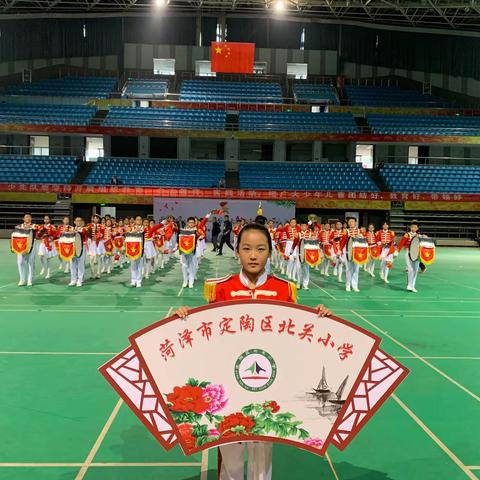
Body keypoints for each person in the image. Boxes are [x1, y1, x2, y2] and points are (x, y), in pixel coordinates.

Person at [174, 223, 331, 480]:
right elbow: (208, 333)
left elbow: (296, 336)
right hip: (228, 384)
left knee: (262, 448)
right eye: (246, 248)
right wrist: (185, 318)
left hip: (268, 384)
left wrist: (321, 319)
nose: (253, 255)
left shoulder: (283, 290)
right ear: (237, 251)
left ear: (270, 252)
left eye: (260, 249)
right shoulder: (221, 288)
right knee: (231, 449)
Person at [396, 220, 423, 292]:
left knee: (415, 271)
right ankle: (409, 285)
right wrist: (396, 253)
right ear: (410, 227)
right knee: (410, 270)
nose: (413, 228)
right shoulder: (407, 235)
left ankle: (413, 286)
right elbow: (400, 244)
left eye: (415, 227)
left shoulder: (419, 236)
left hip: (417, 254)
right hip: (408, 253)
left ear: (417, 228)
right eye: (412, 227)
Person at [14, 213, 38, 286]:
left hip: (32, 246)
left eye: (29, 217)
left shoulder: (34, 225)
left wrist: (30, 227)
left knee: (30, 262)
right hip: (21, 246)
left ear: (31, 218)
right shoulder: (19, 226)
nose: (27, 218)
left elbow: (39, 229)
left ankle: (29, 280)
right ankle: (22, 279)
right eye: (26, 217)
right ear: (23, 219)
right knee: (20, 262)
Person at [340, 217, 362, 292]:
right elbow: (342, 242)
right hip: (348, 252)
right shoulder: (346, 231)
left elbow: (364, 242)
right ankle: (348, 285)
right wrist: (340, 251)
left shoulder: (360, 231)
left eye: (352, 221)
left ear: (355, 222)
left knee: (356, 269)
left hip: (357, 252)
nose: (351, 223)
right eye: (349, 222)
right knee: (348, 269)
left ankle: (355, 286)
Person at [37, 215, 57, 279]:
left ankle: (48, 273)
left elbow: (55, 235)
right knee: (40, 257)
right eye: (45, 219)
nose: (46, 220)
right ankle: (43, 267)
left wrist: (51, 238)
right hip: (43, 243)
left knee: (48, 259)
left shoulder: (52, 227)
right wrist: (40, 233)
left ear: (49, 220)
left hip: (49, 244)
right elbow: (38, 235)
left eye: (47, 219)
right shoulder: (41, 226)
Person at [70, 217, 87, 287]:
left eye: (80, 221)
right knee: (72, 263)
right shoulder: (71, 229)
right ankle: (73, 279)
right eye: (77, 221)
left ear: (82, 222)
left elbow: (83, 234)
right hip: (73, 248)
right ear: (74, 222)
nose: (78, 222)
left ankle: (80, 279)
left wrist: (77, 231)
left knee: (80, 263)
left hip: (81, 247)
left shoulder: (84, 229)